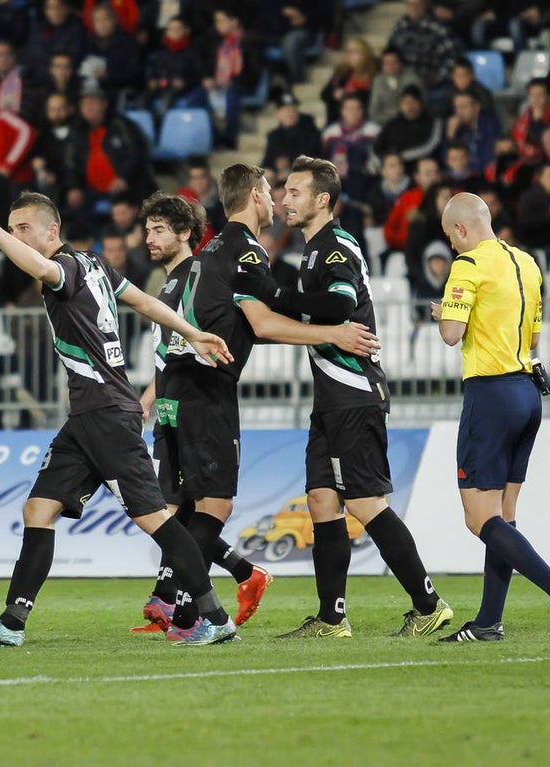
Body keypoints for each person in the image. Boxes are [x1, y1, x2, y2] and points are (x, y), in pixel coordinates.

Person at [0, 181, 241, 647]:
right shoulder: (94, 263)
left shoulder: (65, 266)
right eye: (12, 229)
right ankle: (11, 624)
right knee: (39, 509)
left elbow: (39, 265)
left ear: (53, 230)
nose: (18, 236)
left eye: (24, 228)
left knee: (157, 521)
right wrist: (192, 332)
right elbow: (144, 302)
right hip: (88, 416)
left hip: (105, 413)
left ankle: (215, 617)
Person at [150, 163, 380, 637]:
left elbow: (248, 324)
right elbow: (264, 322)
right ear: (255, 195)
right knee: (214, 508)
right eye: (272, 192)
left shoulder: (211, 248)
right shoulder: (246, 250)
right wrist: (333, 332)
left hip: (178, 387)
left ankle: (187, 608)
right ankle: (193, 613)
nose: (277, 201)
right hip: (207, 390)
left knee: (191, 508)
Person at [275, 156, 452, 638]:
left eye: (293, 191)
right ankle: (332, 618)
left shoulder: (336, 244)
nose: (283, 199)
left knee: (366, 501)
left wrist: (278, 298)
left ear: (322, 200)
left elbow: (339, 304)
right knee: (320, 500)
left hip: (354, 391)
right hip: (330, 397)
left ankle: (429, 604)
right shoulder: (310, 250)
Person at [430, 192, 550, 642]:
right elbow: (534, 334)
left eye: (450, 237)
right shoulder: (527, 263)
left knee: (479, 519)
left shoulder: (468, 266)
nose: (452, 247)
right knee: (503, 515)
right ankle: (487, 622)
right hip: (527, 393)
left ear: (461, 229)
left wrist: (443, 312)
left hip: (491, 394)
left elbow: (451, 334)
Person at [130, 192, 272, 634]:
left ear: (185, 233)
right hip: (173, 406)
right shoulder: (169, 284)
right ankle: (231, 578)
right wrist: (148, 401)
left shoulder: (199, 274)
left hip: (201, 401)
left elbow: (213, 341)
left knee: (195, 508)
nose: (148, 237)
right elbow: (171, 353)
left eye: (159, 230)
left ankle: (178, 604)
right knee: (175, 511)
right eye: (147, 229)